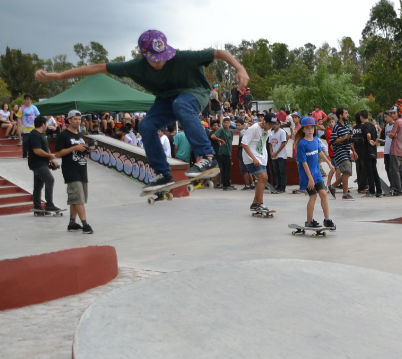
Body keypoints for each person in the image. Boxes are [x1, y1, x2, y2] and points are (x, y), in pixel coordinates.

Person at [35, 30, 249, 191]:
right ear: (144, 55)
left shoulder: (182, 57)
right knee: (146, 125)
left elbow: (219, 53)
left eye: (163, 56)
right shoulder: (134, 66)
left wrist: (240, 68)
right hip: (166, 99)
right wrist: (57, 76)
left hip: (194, 93)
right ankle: (163, 174)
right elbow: (97, 68)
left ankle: (207, 156)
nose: (161, 62)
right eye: (156, 59)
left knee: (181, 105)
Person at [55, 110, 93, 234]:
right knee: (78, 199)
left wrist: (87, 150)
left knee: (76, 199)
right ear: (69, 120)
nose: (78, 121)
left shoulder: (80, 135)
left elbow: (80, 151)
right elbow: (58, 153)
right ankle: (85, 224)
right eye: (75, 119)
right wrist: (75, 148)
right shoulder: (63, 135)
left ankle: (72, 222)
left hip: (82, 169)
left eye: (79, 119)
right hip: (71, 170)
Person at [294, 117, 335, 228]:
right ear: (303, 130)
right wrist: (310, 178)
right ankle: (309, 221)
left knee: (323, 194)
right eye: (307, 128)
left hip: (316, 174)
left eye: (311, 127)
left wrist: (329, 163)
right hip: (307, 176)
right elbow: (304, 163)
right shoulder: (302, 144)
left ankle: (327, 219)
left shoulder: (316, 139)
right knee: (313, 196)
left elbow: (320, 152)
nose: (310, 130)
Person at [240, 113, 273, 212]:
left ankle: (255, 203)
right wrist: (253, 158)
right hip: (250, 157)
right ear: (264, 121)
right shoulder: (253, 128)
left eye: (272, 125)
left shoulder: (268, 129)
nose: (270, 127)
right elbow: (244, 144)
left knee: (263, 179)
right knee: (263, 177)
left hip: (261, 157)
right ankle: (259, 203)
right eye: (270, 124)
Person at [27, 116, 61, 212]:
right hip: (37, 163)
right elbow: (37, 150)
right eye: (46, 124)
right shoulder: (34, 134)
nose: (47, 126)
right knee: (50, 179)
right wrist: (50, 156)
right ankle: (49, 204)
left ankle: (37, 206)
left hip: (42, 163)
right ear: (43, 124)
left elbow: (45, 148)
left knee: (38, 185)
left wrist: (51, 159)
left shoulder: (41, 134)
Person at [330, 108, 354, 200]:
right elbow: (333, 141)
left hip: (347, 151)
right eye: (346, 113)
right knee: (347, 171)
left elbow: (348, 140)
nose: (348, 115)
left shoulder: (346, 126)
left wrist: (354, 151)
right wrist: (344, 138)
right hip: (340, 151)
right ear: (340, 115)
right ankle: (345, 194)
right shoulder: (336, 126)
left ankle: (333, 186)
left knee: (346, 173)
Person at [360, 110, 382, 197]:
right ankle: (379, 191)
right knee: (374, 171)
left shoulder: (364, 126)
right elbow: (376, 137)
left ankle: (372, 191)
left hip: (367, 151)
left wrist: (369, 141)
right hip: (373, 151)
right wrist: (374, 143)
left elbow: (368, 135)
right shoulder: (373, 126)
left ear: (362, 116)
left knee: (370, 172)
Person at [212, 117, 235, 190]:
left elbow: (230, 143)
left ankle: (227, 184)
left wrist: (231, 153)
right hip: (222, 152)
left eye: (227, 123)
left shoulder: (231, 131)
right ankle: (225, 185)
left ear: (230, 124)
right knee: (224, 169)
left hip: (228, 152)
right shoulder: (221, 130)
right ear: (222, 124)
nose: (226, 124)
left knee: (228, 169)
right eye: (224, 123)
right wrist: (220, 140)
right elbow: (213, 136)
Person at [388, 107, 402, 196]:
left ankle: (398, 190)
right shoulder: (401, 122)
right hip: (401, 149)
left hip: (396, 149)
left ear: (398, 113)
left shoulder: (397, 122)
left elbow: (391, 135)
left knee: (395, 170)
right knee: (400, 170)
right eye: (391, 113)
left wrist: (390, 134)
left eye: (394, 113)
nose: (392, 115)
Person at [268, 116, 288, 193]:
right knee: (276, 171)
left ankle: (282, 187)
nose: (274, 125)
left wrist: (276, 153)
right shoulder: (271, 133)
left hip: (281, 155)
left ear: (279, 124)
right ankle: (278, 185)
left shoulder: (282, 132)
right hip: (273, 155)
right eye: (273, 124)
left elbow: (283, 143)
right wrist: (271, 152)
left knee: (282, 171)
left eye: (275, 124)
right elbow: (270, 144)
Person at [19, 94, 40, 159]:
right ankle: (24, 155)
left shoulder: (34, 107)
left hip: (33, 127)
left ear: (31, 100)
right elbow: (19, 118)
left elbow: (38, 115)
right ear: (25, 100)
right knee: (25, 142)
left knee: (33, 142)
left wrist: (35, 119)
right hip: (25, 128)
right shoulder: (22, 108)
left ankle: (32, 154)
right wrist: (19, 126)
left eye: (29, 99)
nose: (28, 100)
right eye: (27, 99)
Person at [235, 117, 253, 190]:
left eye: (239, 125)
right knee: (249, 170)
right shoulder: (247, 131)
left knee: (244, 170)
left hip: (242, 153)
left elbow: (243, 144)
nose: (237, 127)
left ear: (243, 125)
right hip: (247, 153)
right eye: (236, 125)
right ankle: (251, 184)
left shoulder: (243, 132)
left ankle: (247, 185)